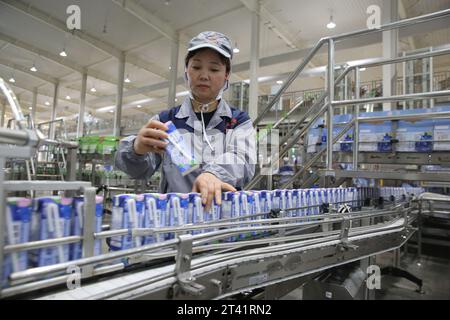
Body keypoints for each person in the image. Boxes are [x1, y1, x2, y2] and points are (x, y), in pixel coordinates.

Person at [115, 31, 256, 210]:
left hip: (222, 225)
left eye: (214, 69)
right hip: (177, 223)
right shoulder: (165, 121)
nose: (204, 75)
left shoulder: (238, 121)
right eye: (196, 67)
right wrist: (136, 150)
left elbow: (242, 159)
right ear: (186, 70)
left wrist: (213, 175)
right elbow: (139, 170)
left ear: (226, 74)